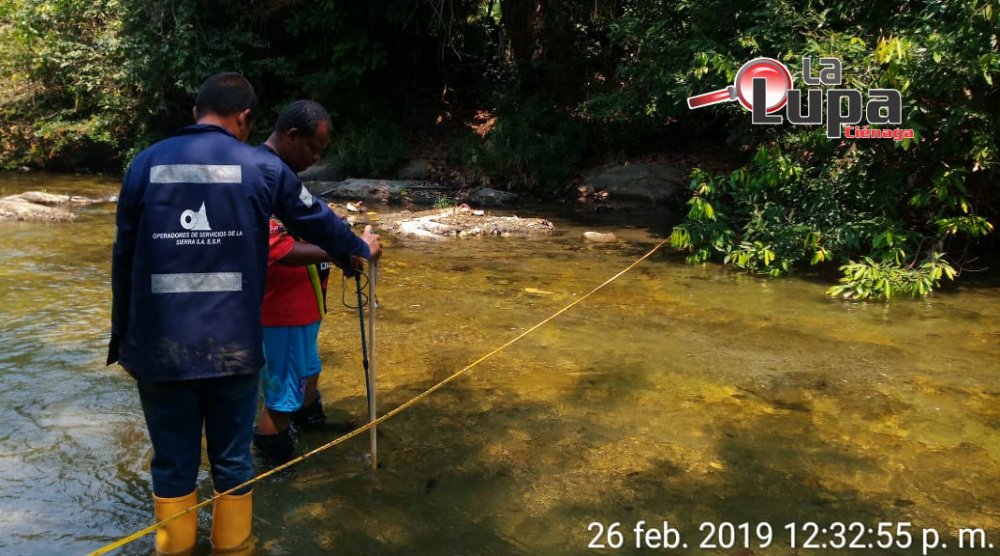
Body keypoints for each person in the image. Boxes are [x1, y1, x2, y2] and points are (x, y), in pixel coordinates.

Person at [108, 74, 382, 555]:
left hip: (159, 349)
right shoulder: (263, 167)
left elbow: (124, 260)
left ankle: (173, 549)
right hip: (232, 348)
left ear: (196, 111)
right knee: (232, 464)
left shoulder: (145, 164)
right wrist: (360, 247)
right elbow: (317, 219)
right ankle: (235, 549)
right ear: (246, 118)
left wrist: (123, 343)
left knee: (172, 465)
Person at [253, 100, 360, 463]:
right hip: (282, 310)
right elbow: (277, 248)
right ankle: (278, 470)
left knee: (308, 372)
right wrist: (338, 250)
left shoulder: (281, 174)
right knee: (281, 397)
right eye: (313, 148)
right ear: (292, 135)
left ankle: (311, 426)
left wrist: (337, 239)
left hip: (303, 306)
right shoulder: (264, 175)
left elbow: (306, 223)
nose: (316, 157)